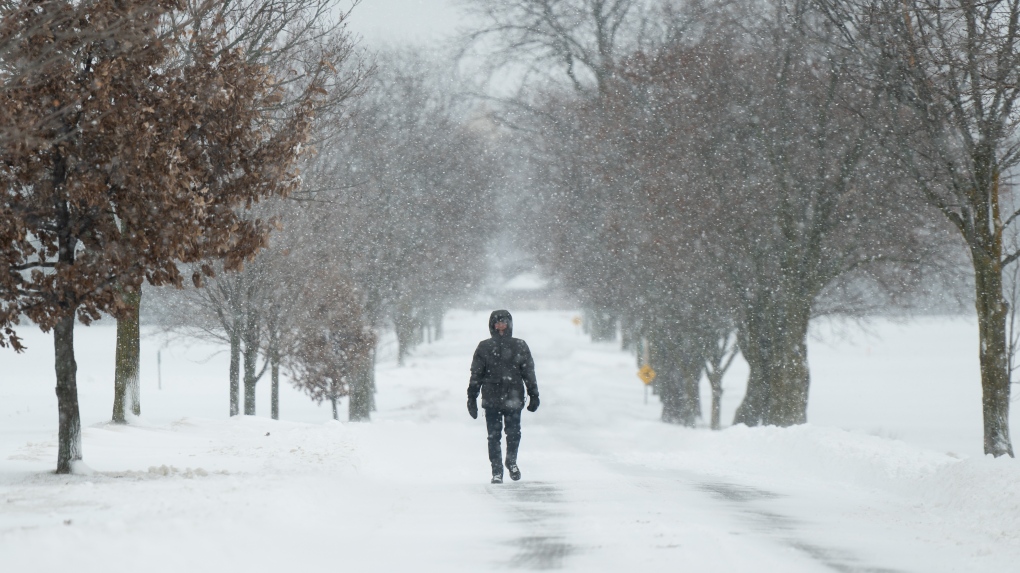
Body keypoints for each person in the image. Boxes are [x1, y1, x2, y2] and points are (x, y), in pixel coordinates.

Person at [467, 309, 540, 484]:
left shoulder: (519, 345)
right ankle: (496, 471)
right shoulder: (484, 347)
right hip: (491, 398)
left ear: (510, 324)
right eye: (497, 322)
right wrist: (472, 397)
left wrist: (533, 394)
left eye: (504, 322)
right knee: (493, 436)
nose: (500, 325)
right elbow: (476, 374)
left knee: (514, 433)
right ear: (492, 325)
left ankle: (511, 461)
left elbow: (528, 372)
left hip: (513, 396)